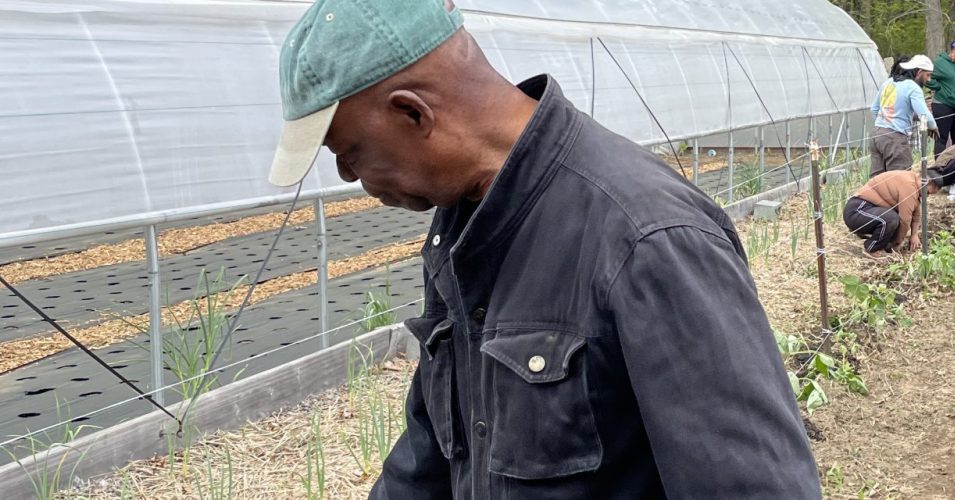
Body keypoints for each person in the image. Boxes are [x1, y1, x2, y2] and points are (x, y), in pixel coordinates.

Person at [266, 0, 821, 497]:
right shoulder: (462, 225)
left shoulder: (646, 236)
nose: (344, 174)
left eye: (350, 150)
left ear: (413, 112)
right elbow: (431, 453)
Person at [843, 165, 955, 256]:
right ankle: (872, 248)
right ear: (927, 182)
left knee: (892, 219)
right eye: (929, 193)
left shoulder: (915, 182)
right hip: (857, 210)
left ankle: (880, 242)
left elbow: (915, 214)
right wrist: (897, 243)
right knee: (891, 219)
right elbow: (905, 219)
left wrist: (914, 235)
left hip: (869, 211)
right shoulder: (909, 186)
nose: (927, 197)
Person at [869, 54, 937, 177]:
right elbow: (924, 114)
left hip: (877, 135)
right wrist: (933, 126)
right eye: (928, 75)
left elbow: (874, 108)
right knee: (900, 179)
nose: (929, 79)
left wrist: (883, 123)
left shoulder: (888, 82)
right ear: (919, 72)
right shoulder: (913, 88)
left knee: (878, 181)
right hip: (895, 138)